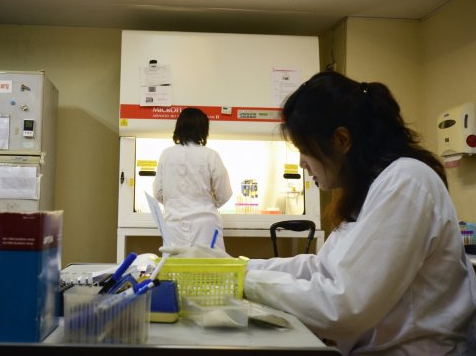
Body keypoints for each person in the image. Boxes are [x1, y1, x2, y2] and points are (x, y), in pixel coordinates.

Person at [162, 72, 476, 355]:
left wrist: (239, 278)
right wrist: (233, 265)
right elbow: (320, 269)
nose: (302, 164)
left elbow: (342, 306)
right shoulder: (373, 189)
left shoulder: (406, 182)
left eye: (305, 150)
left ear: (341, 140)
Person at [153, 107, 232, 250]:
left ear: (179, 127)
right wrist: (208, 202)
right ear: (204, 129)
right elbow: (224, 193)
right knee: (208, 269)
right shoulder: (210, 155)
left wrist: (175, 203)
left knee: (175, 269)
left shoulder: (166, 154)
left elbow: (158, 193)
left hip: (173, 224)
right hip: (205, 224)